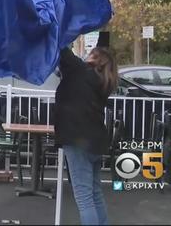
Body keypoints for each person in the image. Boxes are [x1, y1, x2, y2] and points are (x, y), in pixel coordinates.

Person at [53, 32, 117, 225]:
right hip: (95, 142)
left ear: (95, 58)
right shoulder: (103, 81)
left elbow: (59, 45)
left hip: (77, 140)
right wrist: (103, 30)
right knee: (94, 193)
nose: (86, 54)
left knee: (84, 198)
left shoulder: (78, 71)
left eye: (90, 52)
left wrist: (62, 26)